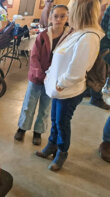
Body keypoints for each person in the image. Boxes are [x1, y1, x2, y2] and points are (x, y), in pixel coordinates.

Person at [36, 0, 104, 171]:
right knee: (54, 119)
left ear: (79, 11)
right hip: (59, 89)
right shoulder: (79, 32)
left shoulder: (89, 37)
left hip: (68, 90)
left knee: (62, 122)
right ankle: (51, 145)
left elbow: (77, 69)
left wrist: (60, 83)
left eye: (71, 9)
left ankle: (61, 152)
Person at [15, 5, 71, 146]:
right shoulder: (43, 35)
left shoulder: (70, 37)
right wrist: (41, 75)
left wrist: (57, 78)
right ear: (51, 18)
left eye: (62, 16)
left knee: (45, 107)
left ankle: (38, 131)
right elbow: (34, 57)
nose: (58, 19)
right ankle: (22, 128)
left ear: (67, 17)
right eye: (56, 16)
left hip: (54, 80)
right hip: (37, 77)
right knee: (29, 103)